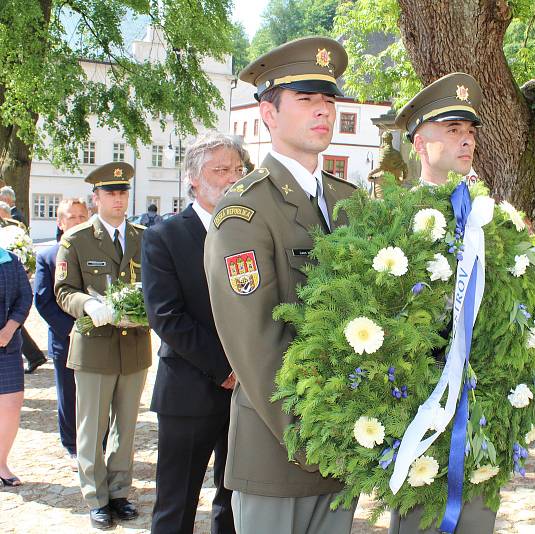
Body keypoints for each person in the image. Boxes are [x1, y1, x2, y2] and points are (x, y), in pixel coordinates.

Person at [204, 37, 358, 534]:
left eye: (329, 101)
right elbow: (255, 343)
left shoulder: (347, 201)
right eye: (307, 100)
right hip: (283, 446)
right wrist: (314, 435)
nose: (323, 112)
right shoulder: (244, 211)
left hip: (348, 439)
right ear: (268, 114)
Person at [388, 73, 496, 533]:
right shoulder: (394, 220)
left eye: (470, 132)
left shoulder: (488, 218)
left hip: (479, 406)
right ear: (419, 142)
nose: (466, 141)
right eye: (453, 130)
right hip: (418, 406)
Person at [143, 133, 245, 534]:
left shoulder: (249, 234)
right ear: (192, 179)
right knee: (176, 505)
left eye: (237, 170)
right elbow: (167, 317)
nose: (231, 179)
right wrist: (226, 368)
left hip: (245, 395)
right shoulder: (163, 237)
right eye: (219, 170)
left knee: (233, 501)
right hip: (188, 392)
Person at [55, 162, 151, 530]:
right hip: (94, 346)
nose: (118, 198)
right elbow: (64, 291)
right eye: (110, 193)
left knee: (126, 427)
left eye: (123, 192)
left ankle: (119, 492)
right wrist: (89, 305)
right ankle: (96, 497)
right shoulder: (76, 239)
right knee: (91, 427)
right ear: (95, 198)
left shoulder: (144, 237)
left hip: (135, 346)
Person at [33, 198, 89, 470]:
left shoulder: (94, 252)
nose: (77, 221)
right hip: (65, 337)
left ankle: (95, 442)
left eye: (82, 216)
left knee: (93, 393)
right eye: (72, 217)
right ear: (60, 222)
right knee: (68, 392)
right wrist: (73, 330)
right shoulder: (48, 256)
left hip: (96, 338)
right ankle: (72, 444)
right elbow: (43, 302)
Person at [0, 200, 46, 374]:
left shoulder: (15, 227)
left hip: (7, 345)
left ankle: (34, 356)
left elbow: (25, 297)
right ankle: (34, 355)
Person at [0, 244, 32, 488]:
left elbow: (25, 296)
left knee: (11, 404)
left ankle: (1, 463)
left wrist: (9, 329)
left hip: (6, 344)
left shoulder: (9, 260)